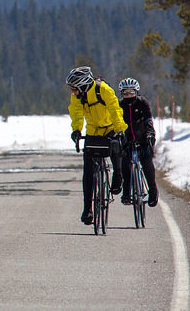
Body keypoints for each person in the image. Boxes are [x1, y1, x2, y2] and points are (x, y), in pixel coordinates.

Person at [66, 66, 128, 225]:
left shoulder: (103, 90)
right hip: (93, 131)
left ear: (82, 85)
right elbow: (76, 113)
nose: (72, 92)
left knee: (115, 151)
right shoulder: (78, 97)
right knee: (88, 170)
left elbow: (115, 109)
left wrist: (120, 129)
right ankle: (87, 209)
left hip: (110, 128)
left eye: (74, 89)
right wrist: (76, 130)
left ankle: (118, 176)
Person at [117, 77, 159, 207]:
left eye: (131, 93)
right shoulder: (119, 105)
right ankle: (126, 193)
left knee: (147, 163)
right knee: (125, 165)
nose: (129, 95)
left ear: (136, 92)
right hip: (127, 140)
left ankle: (152, 189)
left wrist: (150, 133)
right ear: (122, 94)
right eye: (125, 93)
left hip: (142, 138)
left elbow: (148, 120)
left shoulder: (142, 103)